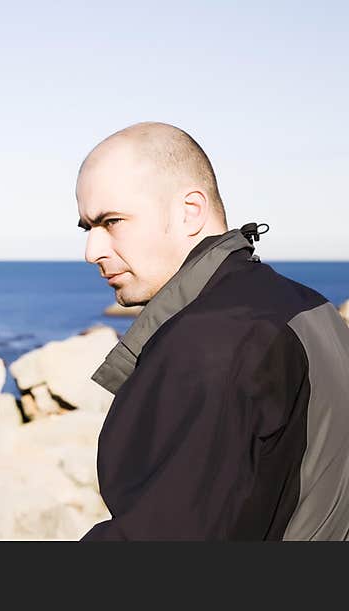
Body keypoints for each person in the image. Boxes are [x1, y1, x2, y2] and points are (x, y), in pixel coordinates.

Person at [75, 122, 349, 540]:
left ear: (190, 211)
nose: (92, 251)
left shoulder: (211, 342)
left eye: (111, 221)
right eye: (86, 228)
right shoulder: (309, 307)